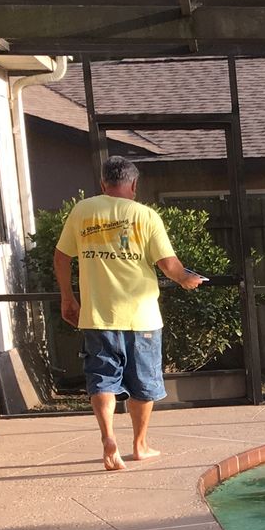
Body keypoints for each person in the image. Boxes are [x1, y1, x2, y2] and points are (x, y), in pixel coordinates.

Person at [55, 156, 207, 471]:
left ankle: (108, 438)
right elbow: (169, 265)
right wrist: (187, 279)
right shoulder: (145, 215)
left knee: (102, 380)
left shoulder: (82, 211)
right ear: (134, 185)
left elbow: (60, 256)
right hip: (142, 318)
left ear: (102, 183)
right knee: (144, 383)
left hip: (98, 317)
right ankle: (140, 445)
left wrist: (68, 297)